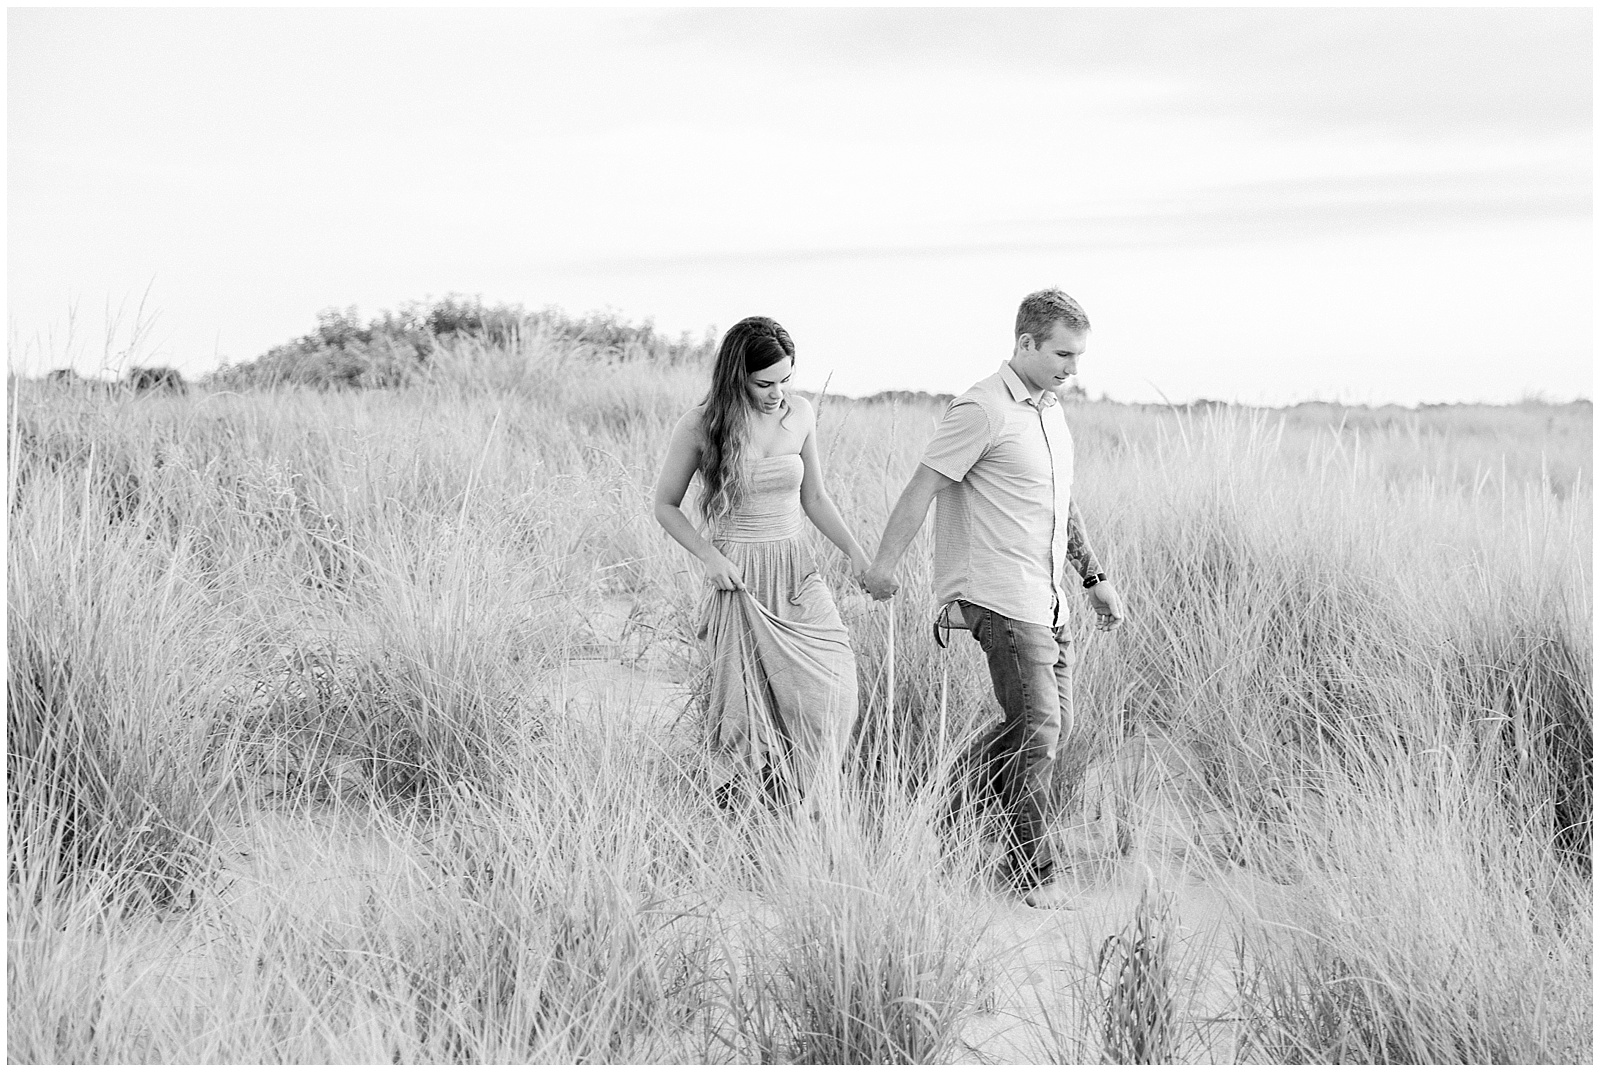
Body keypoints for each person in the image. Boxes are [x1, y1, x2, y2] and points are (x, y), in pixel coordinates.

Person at [861, 288, 1126, 908]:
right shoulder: (981, 408)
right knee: (1038, 728)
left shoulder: (1050, 410)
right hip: (997, 594)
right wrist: (883, 566)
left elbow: (1060, 505)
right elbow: (922, 486)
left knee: (1039, 730)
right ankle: (1031, 873)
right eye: (1062, 354)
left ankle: (932, 820)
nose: (1072, 368)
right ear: (1025, 343)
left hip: (1048, 597)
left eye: (1079, 356)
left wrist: (1092, 580)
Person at [653, 315, 867, 814]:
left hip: (796, 570)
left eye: (785, 380)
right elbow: (665, 504)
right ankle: (756, 816)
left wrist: (855, 552)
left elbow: (815, 497)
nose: (777, 394)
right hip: (739, 576)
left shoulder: (802, 414)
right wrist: (708, 557)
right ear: (736, 377)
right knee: (748, 710)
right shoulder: (701, 425)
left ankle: (818, 805)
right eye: (764, 383)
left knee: (835, 690)